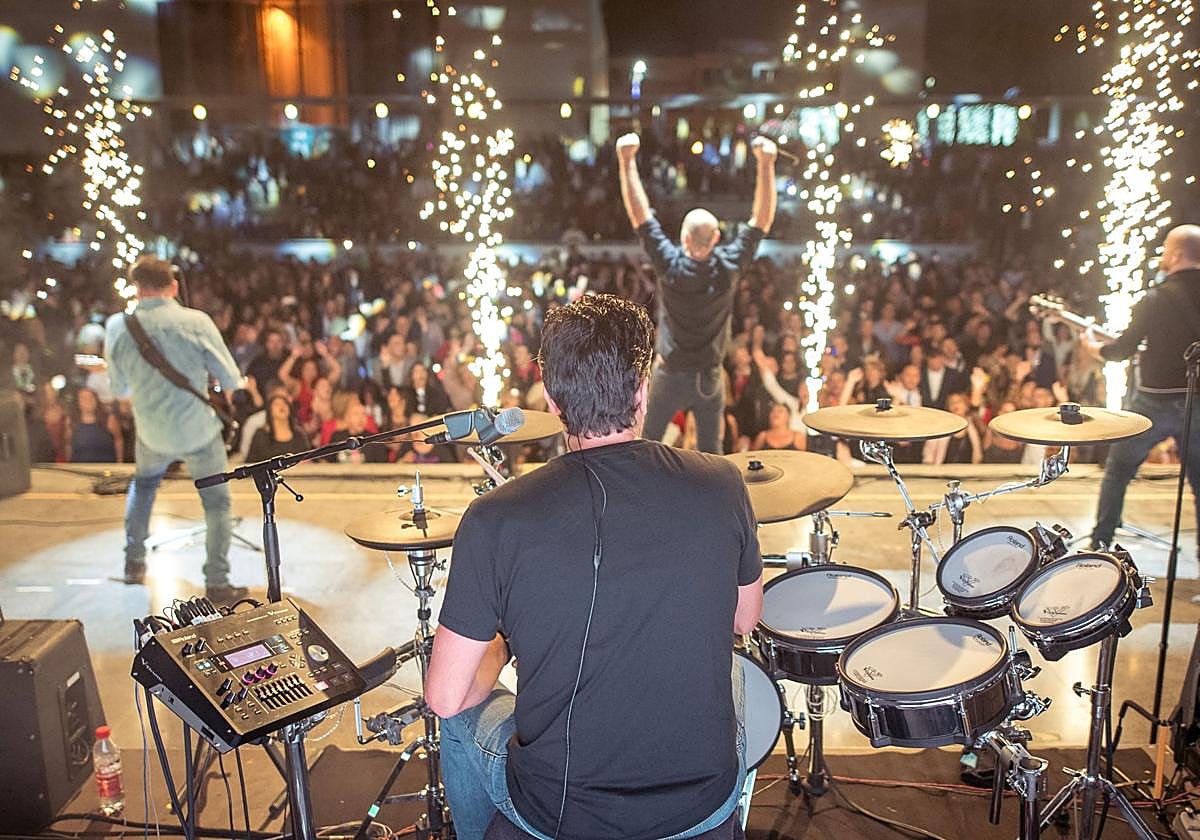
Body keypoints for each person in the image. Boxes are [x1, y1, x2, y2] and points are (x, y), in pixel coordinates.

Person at [426, 294, 763, 839]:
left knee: (460, 724)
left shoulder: (495, 517)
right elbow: (745, 619)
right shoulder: (723, 482)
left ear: (552, 399)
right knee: (733, 672)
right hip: (701, 800)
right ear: (641, 389)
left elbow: (446, 695)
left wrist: (501, 643)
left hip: (562, 810)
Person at [616, 131, 777, 453]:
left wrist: (626, 161)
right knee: (710, 451)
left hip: (669, 374)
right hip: (708, 377)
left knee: (645, 445)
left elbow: (640, 215)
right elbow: (761, 220)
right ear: (716, 237)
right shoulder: (728, 266)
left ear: (684, 239)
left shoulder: (670, 265)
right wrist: (766, 164)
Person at [104, 256, 247, 603]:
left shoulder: (117, 326)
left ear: (137, 287)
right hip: (198, 431)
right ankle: (217, 581)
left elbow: (119, 390)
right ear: (174, 285)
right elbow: (229, 378)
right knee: (216, 504)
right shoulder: (195, 321)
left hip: (152, 432)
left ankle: (133, 563)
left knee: (144, 488)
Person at [1086, 224, 1200, 549]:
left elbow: (1122, 350)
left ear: (1176, 253)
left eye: (1165, 248)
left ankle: (1101, 543)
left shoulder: (1156, 298)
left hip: (1153, 403)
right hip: (1198, 401)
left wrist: (1093, 348)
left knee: (1118, 470)